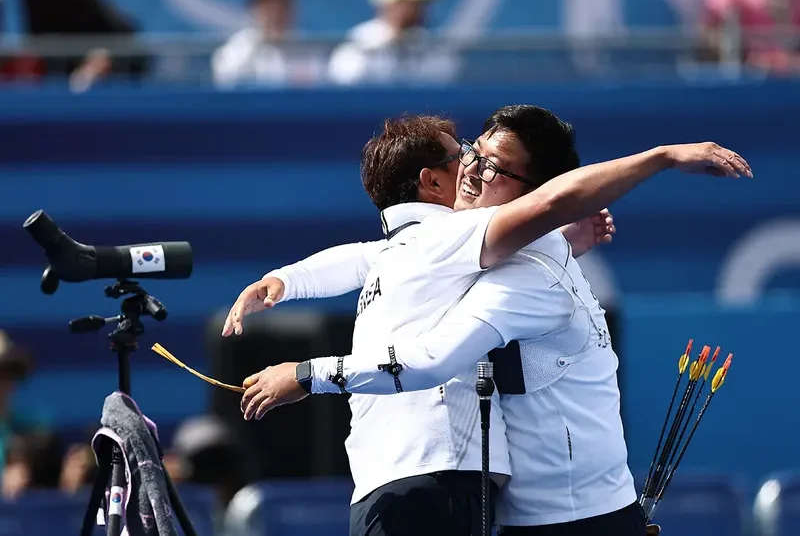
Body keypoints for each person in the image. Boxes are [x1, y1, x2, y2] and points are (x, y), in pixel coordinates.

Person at [231, 109, 750, 536]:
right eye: (470, 152)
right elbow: (378, 255)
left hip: (570, 519)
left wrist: (305, 375)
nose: (471, 171)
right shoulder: (471, 251)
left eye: (489, 165)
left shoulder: (519, 277)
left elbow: (431, 359)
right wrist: (285, 280)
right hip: (547, 516)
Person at [328, 0, 459, 85]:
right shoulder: (359, 43)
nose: (421, 10)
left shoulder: (429, 45)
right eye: (412, 3)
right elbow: (344, 87)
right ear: (391, 3)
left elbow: (442, 84)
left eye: (423, 3)